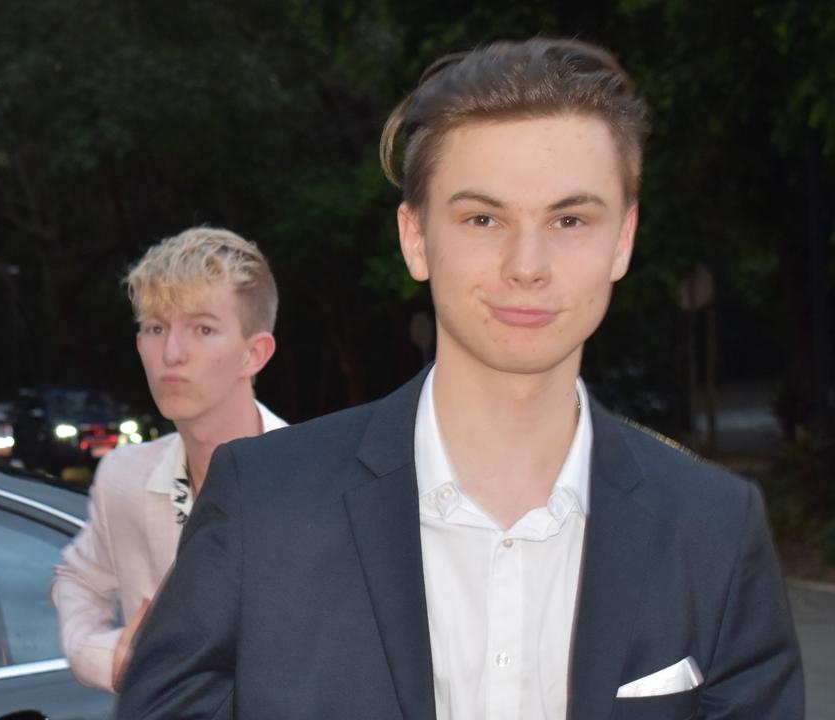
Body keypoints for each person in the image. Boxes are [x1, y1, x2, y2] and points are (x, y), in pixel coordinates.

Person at [118, 38, 803, 719]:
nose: (527, 264)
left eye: (570, 219)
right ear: (415, 239)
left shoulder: (713, 529)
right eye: (483, 218)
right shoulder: (261, 506)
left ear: (621, 240)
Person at [51, 227, 286, 693]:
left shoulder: (318, 483)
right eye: (156, 328)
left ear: (253, 354)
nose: (171, 354)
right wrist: (107, 659)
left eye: (202, 328)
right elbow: (76, 579)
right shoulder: (124, 477)